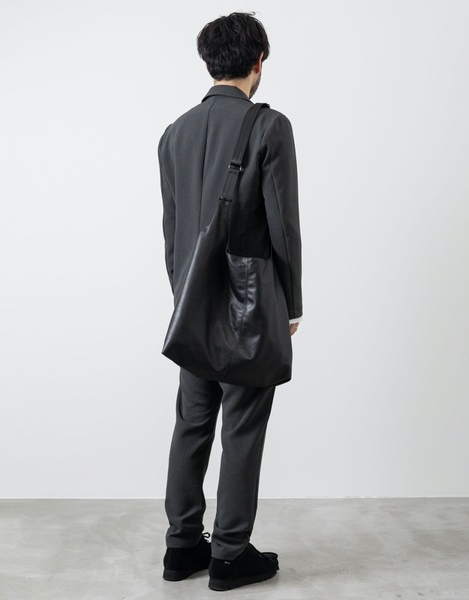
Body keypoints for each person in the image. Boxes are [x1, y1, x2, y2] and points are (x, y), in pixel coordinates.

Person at [157, 11, 303, 592]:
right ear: (258, 61)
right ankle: (231, 554)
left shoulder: (174, 132)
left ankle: (181, 547)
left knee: (192, 423)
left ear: (208, 62)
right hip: (249, 306)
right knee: (242, 426)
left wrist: (183, 300)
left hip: (190, 303)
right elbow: (283, 226)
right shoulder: (269, 126)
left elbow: (173, 232)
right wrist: (290, 302)